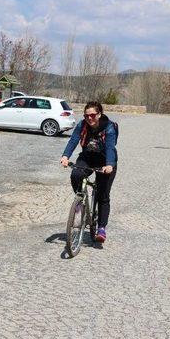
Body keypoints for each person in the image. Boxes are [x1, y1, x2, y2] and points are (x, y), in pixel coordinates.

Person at [60, 101, 118, 243]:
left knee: (102, 195)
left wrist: (109, 164)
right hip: (88, 157)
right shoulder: (82, 125)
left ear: (99, 114)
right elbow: (73, 140)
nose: (90, 118)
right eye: (87, 116)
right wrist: (65, 156)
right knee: (76, 174)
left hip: (105, 161)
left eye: (93, 115)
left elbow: (110, 146)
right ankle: (81, 201)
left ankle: (101, 228)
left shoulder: (109, 127)